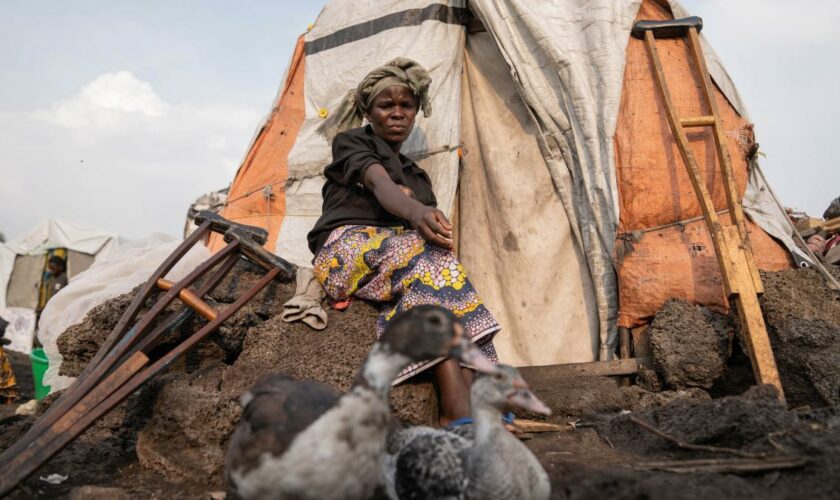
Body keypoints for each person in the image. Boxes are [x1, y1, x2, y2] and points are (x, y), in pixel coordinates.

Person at [308, 58, 500, 427]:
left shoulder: (417, 174)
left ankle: (476, 404)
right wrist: (413, 211)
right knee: (429, 262)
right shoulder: (352, 144)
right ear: (367, 111)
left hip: (399, 260)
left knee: (445, 272)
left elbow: (422, 230)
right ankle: (456, 408)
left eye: (406, 106)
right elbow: (380, 185)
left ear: (416, 111)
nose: (397, 114)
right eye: (386, 105)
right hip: (343, 251)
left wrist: (427, 221)